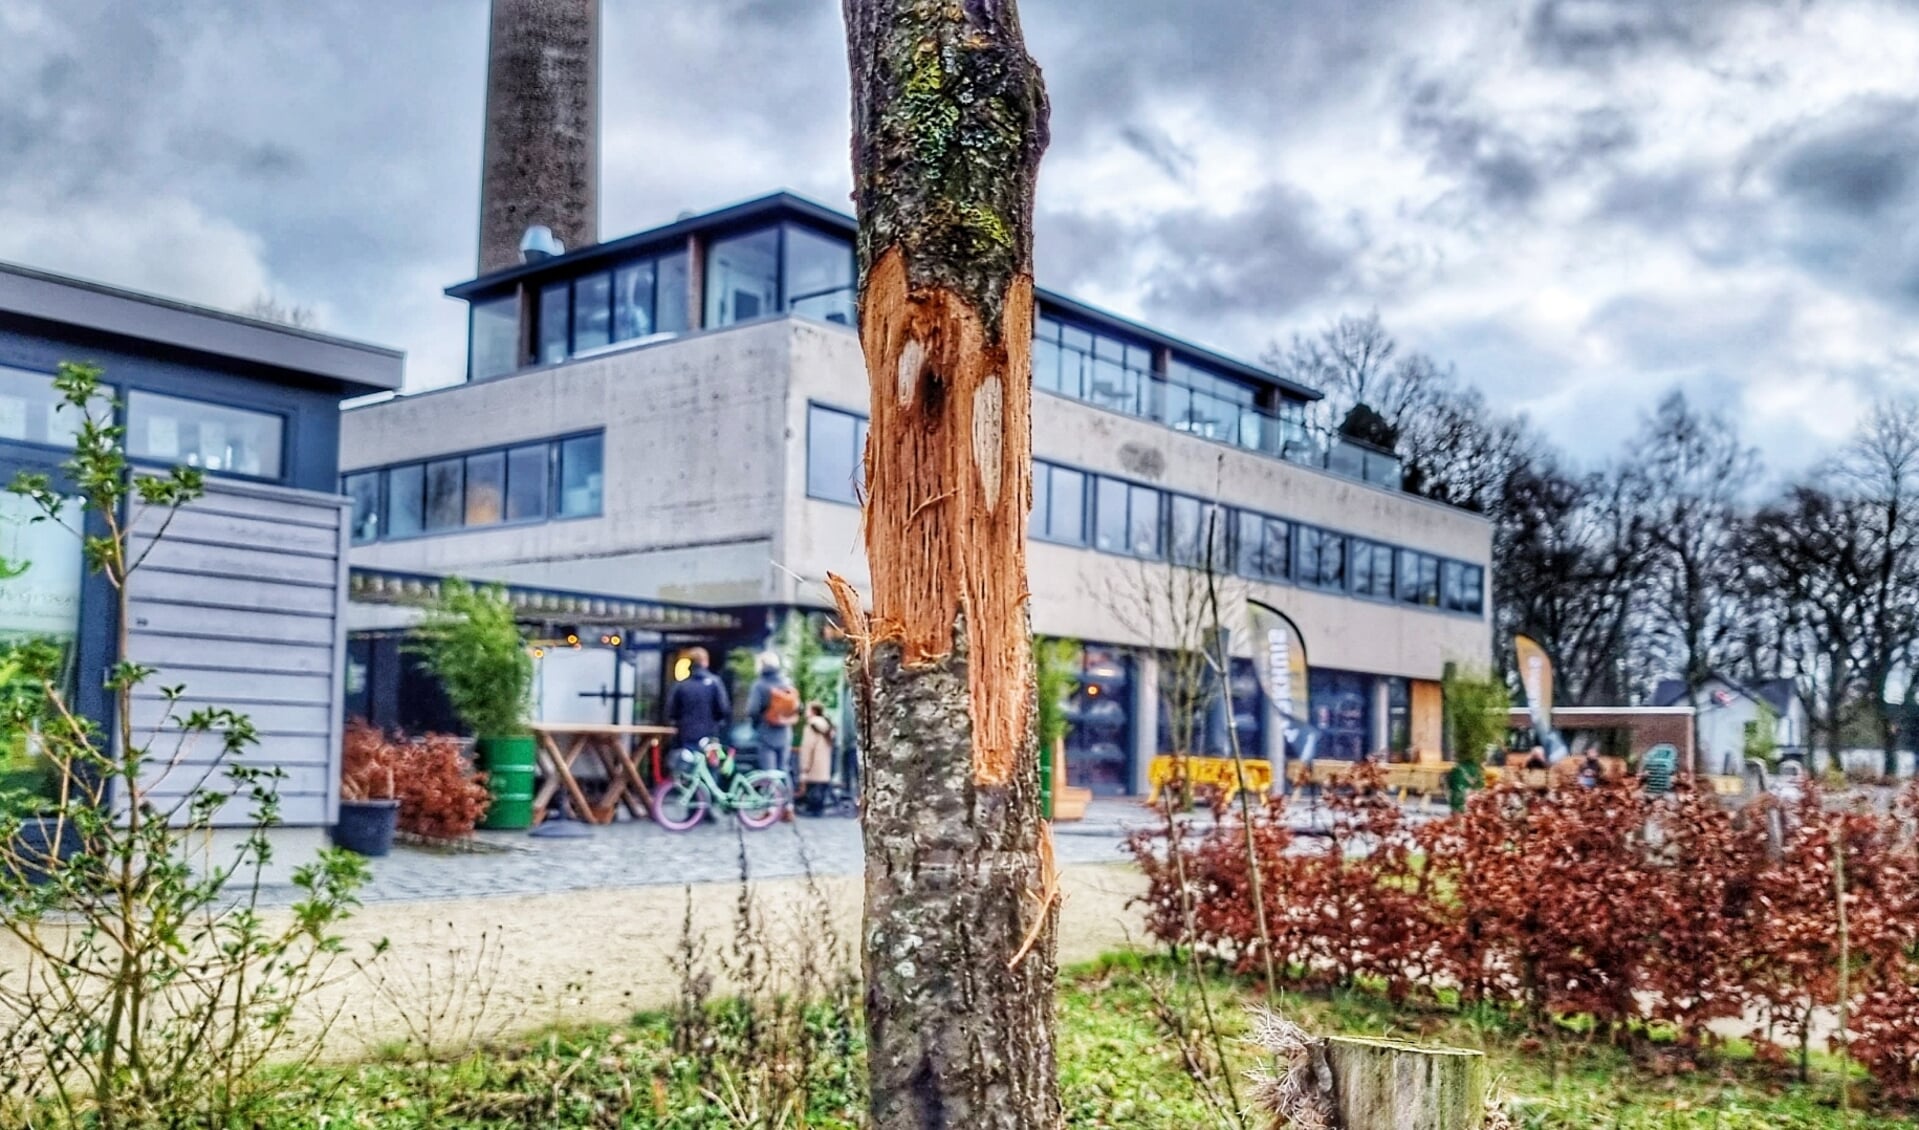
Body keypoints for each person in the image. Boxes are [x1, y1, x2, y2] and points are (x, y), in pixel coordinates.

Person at [745, 651, 800, 819]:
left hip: (766, 731)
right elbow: (798, 706)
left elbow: (752, 709)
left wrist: (756, 724)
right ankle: (788, 807)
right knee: (784, 770)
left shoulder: (760, 685)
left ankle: (770, 809)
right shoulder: (787, 682)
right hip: (785, 732)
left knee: (768, 772)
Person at [665, 647, 730, 761]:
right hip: (710, 735)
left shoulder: (681, 686)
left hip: (685, 734)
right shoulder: (715, 683)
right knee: (710, 769)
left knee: (687, 768)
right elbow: (723, 708)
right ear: (706, 662)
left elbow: (671, 711)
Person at [796, 702, 836, 816]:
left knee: (812, 789)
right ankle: (818, 809)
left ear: (813, 711)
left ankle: (812, 810)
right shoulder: (826, 726)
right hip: (823, 765)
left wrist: (804, 766)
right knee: (820, 789)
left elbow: (807, 747)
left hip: (813, 764)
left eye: (808, 709)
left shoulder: (811, 726)